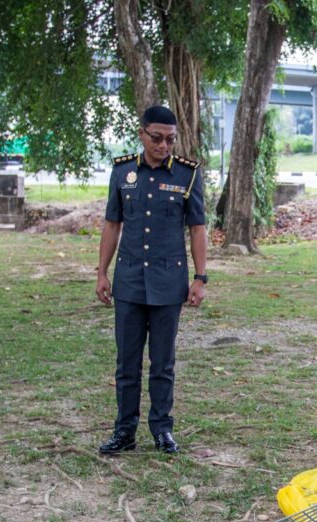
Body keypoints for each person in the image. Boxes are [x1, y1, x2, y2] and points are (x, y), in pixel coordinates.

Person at [95, 105, 207, 455]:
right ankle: (124, 431)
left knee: (163, 362)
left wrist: (200, 277)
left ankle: (162, 429)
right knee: (127, 362)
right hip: (129, 280)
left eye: (171, 140)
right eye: (157, 138)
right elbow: (112, 224)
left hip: (169, 281)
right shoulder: (123, 172)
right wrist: (101, 272)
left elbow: (197, 228)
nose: (163, 146)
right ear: (141, 134)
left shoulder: (187, 175)